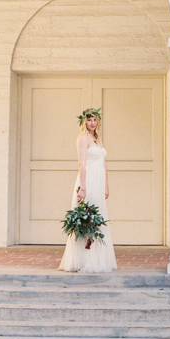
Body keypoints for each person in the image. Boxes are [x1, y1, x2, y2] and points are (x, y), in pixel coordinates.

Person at [59, 108, 117, 273]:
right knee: (88, 217)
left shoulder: (97, 138)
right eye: (89, 120)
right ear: (83, 121)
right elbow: (81, 164)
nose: (92, 123)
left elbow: (104, 163)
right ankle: (85, 259)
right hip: (88, 180)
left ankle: (98, 259)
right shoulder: (83, 138)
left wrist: (106, 185)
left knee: (98, 217)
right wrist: (83, 188)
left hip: (98, 181)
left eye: (95, 120)